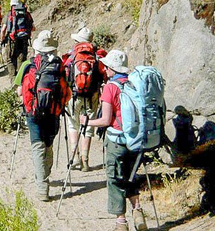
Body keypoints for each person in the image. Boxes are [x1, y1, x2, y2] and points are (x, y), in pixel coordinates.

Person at [82, 50, 147, 231]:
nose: (104, 69)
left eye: (106, 66)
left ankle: (121, 223)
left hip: (116, 141)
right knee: (131, 175)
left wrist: (86, 121)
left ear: (111, 68)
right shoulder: (134, 83)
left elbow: (105, 120)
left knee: (115, 179)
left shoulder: (111, 87)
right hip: (135, 140)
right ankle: (138, 211)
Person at [20, 30, 70, 202]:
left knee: (37, 146)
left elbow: (21, 90)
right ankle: (45, 173)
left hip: (33, 112)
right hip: (53, 112)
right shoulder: (60, 66)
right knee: (48, 144)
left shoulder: (28, 65)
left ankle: (42, 186)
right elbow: (67, 91)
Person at [64, 26, 105, 173]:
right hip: (92, 95)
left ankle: (74, 158)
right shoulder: (97, 56)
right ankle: (85, 161)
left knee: (73, 124)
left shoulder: (72, 55)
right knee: (88, 126)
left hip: (74, 94)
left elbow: (65, 72)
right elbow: (103, 75)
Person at [0, 0, 33, 78]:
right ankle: (21, 79)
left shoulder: (9, 14)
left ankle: (13, 79)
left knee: (10, 59)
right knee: (21, 58)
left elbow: (3, 29)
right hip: (24, 39)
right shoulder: (26, 14)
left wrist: (1, 39)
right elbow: (33, 27)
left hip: (12, 40)